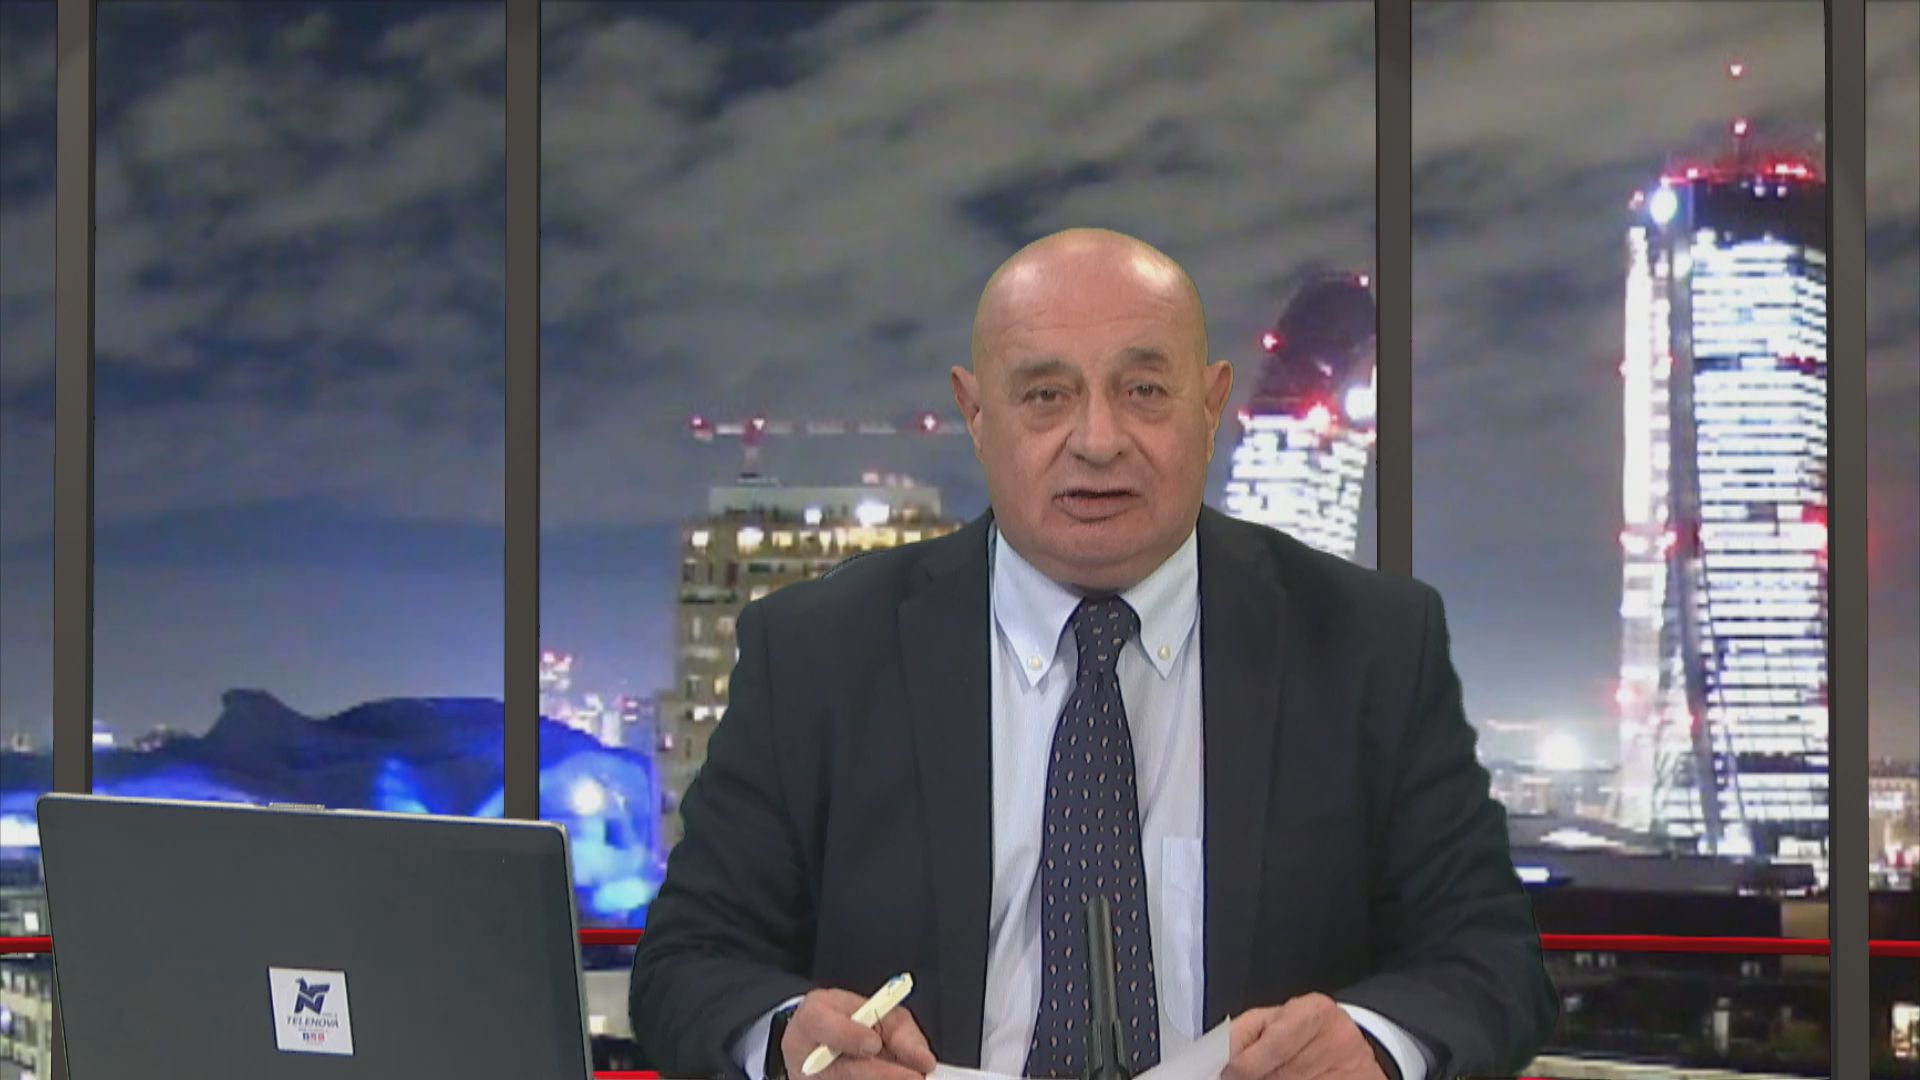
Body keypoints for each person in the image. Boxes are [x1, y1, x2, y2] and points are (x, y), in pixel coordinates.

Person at [629, 228, 1558, 1080]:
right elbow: (687, 963)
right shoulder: (816, 652)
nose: (1099, 441)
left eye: (1144, 390)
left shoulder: (1372, 644)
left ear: (1211, 404)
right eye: (1046, 396)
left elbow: (1490, 958)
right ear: (975, 413)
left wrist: (1374, 1046)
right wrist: (789, 1041)